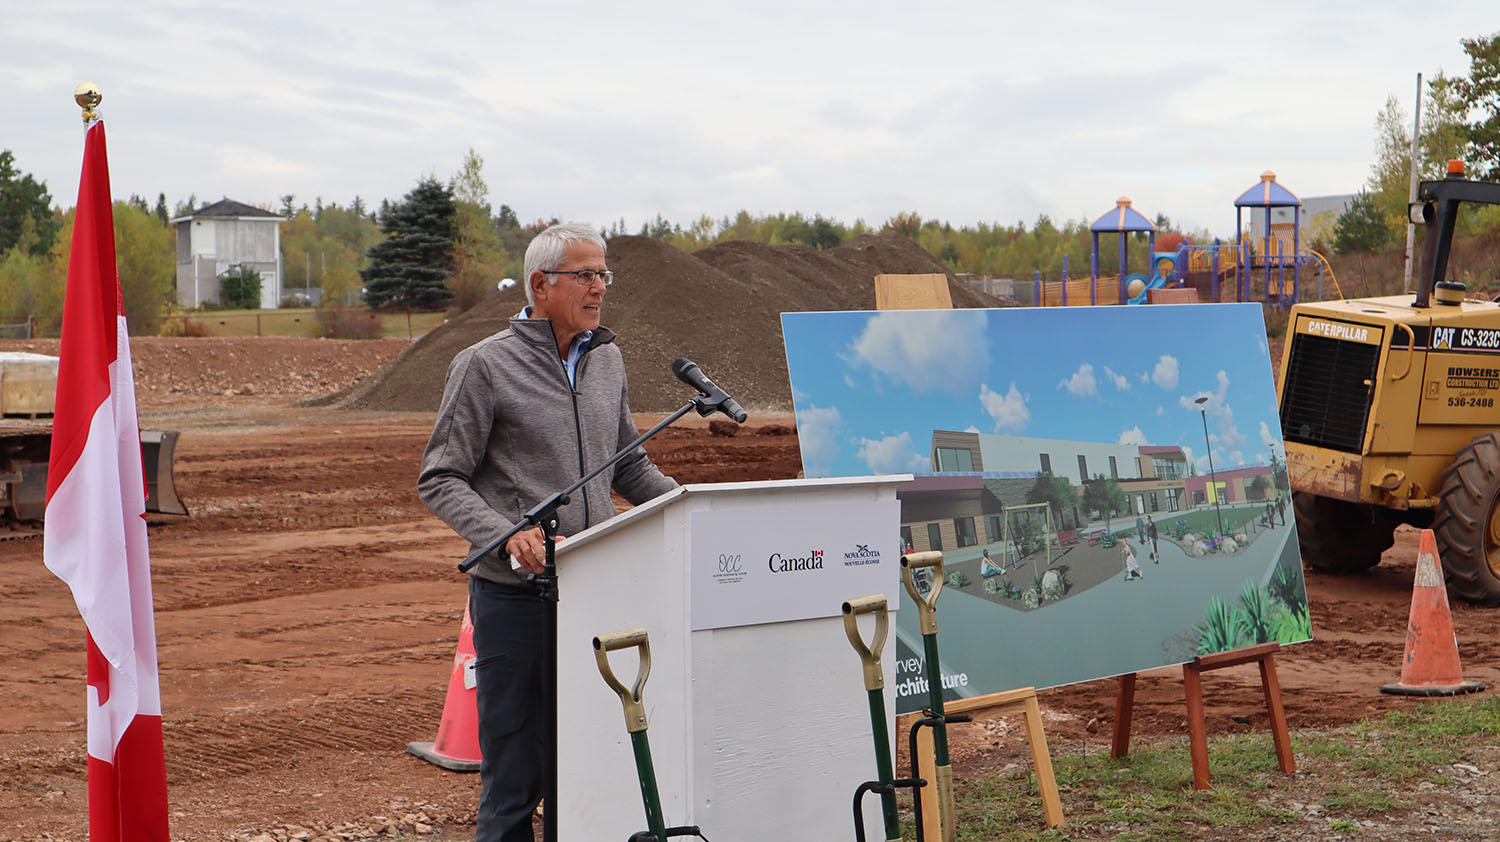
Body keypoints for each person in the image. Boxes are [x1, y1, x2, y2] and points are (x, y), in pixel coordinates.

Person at [418, 222, 678, 842]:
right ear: (541, 284)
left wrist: (695, 509)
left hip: (596, 590)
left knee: (591, 761)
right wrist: (506, 532)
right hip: (516, 600)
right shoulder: (483, 366)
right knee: (516, 777)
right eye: (586, 275)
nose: (600, 288)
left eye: (604, 274)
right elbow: (441, 477)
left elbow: (629, 465)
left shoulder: (606, 358)